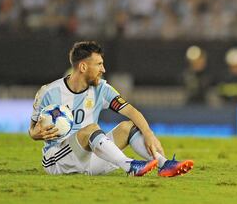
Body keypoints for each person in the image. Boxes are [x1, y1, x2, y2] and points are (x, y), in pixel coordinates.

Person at [29, 41, 193, 177]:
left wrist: (149, 134)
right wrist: (34, 134)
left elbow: (130, 111)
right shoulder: (49, 92)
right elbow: (33, 128)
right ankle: (129, 166)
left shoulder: (101, 88)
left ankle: (164, 164)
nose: (103, 69)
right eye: (99, 64)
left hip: (91, 158)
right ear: (83, 67)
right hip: (57, 161)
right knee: (92, 128)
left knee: (128, 126)